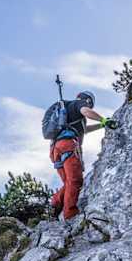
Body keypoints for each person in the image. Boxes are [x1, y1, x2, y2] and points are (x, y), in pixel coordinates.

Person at [50, 91, 117, 220]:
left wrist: (101, 125)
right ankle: (70, 215)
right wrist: (103, 119)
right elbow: (86, 111)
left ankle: (54, 204)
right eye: (90, 104)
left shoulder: (68, 112)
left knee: (69, 182)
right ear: (88, 101)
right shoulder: (80, 104)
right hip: (68, 145)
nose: (90, 106)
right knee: (75, 180)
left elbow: (84, 130)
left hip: (55, 149)